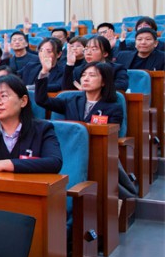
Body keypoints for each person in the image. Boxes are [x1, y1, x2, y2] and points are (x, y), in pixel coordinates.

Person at [36, 62, 137, 199]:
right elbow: (41, 100)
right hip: (70, 151)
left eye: (92, 75)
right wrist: (44, 73)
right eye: (83, 75)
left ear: (104, 82)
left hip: (97, 153)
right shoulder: (71, 100)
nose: (86, 79)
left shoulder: (113, 107)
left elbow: (113, 136)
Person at [64, 35, 128, 91]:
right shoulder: (78, 70)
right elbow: (67, 90)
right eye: (86, 49)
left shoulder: (117, 69)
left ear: (105, 53)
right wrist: (70, 64)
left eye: (94, 49)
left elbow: (121, 86)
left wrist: (91, 89)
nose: (88, 53)